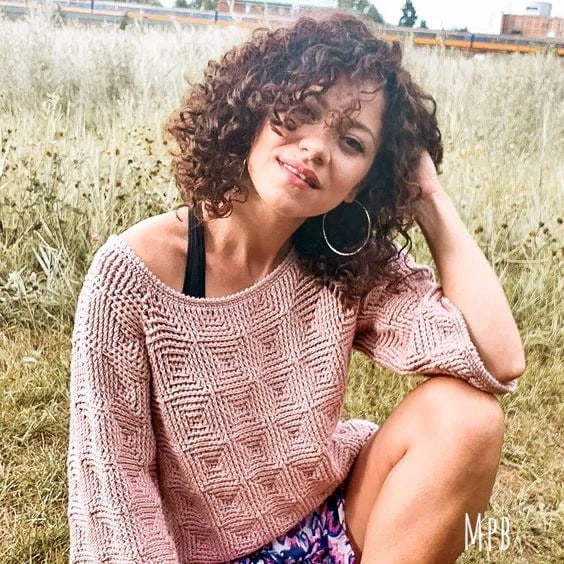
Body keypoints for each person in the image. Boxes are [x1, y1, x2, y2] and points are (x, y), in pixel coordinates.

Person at [67, 14, 525, 564]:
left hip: (332, 522)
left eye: (351, 142)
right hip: (205, 554)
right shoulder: (132, 278)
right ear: (254, 110)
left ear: (362, 182)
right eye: (303, 112)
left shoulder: (342, 260)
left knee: (467, 418)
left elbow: (499, 360)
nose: (316, 149)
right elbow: (118, 491)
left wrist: (428, 199)